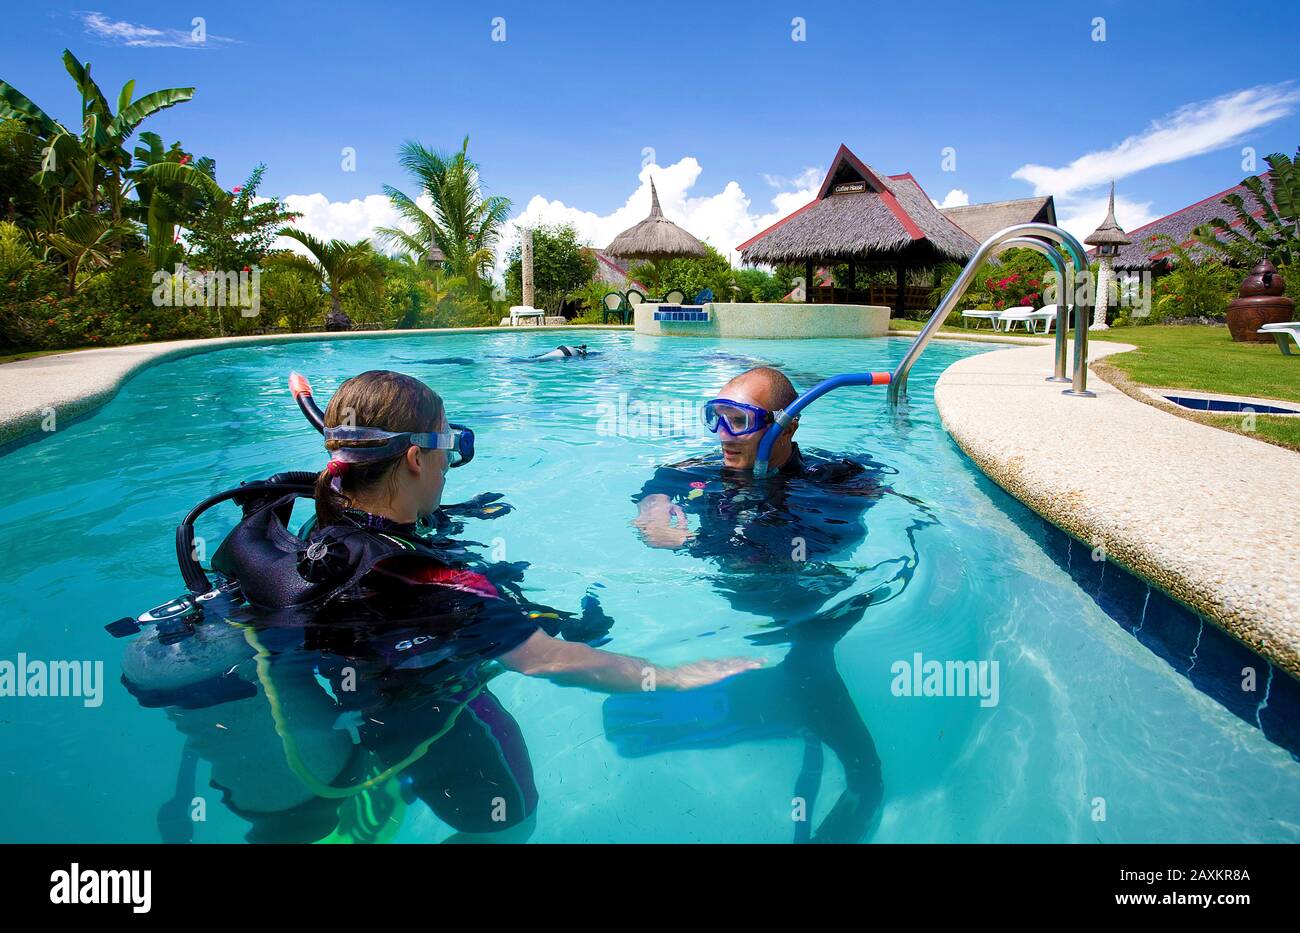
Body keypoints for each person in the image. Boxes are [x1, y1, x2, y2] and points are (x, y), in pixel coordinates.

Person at [121, 369, 758, 843]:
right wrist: (672, 676)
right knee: (513, 824)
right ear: (417, 457)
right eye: (451, 449)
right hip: (424, 716)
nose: (452, 466)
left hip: (343, 702)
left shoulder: (323, 523)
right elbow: (546, 662)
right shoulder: (432, 582)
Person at [611, 366, 912, 843]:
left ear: (785, 425)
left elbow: (830, 532)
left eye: (739, 421)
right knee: (799, 659)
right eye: (717, 418)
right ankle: (798, 707)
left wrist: (707, 543)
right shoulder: (705, 470)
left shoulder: (833, 480)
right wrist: (653, 509)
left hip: (815, 595)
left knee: (809, 654)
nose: (723, 437)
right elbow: (662, 481)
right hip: (747, 590)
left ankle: (865, 780)